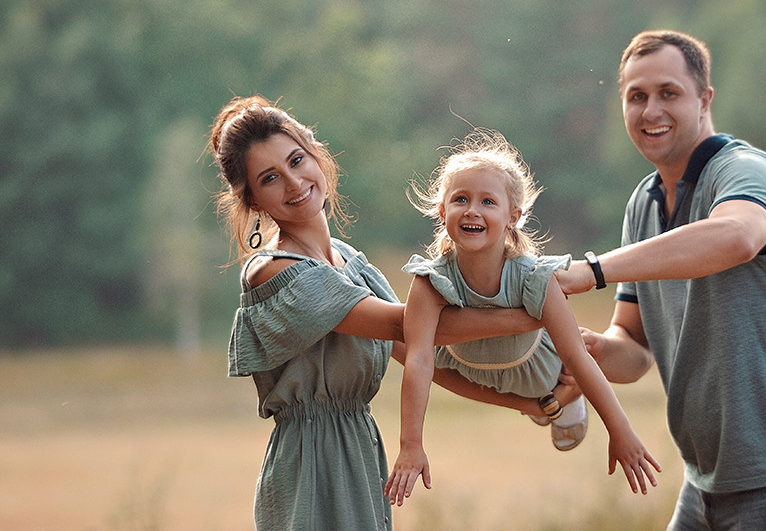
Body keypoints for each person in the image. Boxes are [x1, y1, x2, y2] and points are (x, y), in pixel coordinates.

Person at [555, 30, 766, 530]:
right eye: (637, 97)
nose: (651, 109)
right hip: (707, 481)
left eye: (669, 93)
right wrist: (586, 352)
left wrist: (593, 271)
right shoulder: (643, 203)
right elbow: (633, 346)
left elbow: (737, 236)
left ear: (705, 99)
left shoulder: (745, 171)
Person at [209, 95, 552, 531]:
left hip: (361, 455)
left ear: (315, 153)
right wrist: (538, 310)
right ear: (254, 200)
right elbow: (403, 323)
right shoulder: (274, 271)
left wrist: (529, 403)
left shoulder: (350, 261)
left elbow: (420, 353)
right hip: (308, 470)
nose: (294, 182)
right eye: (270, 178)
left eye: (297, 160)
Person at [384, 129, 661, 507]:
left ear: (513, 216)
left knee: (578, 350)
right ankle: (541, 405)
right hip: (470, 369)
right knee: (394, 339)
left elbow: (577, 356)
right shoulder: (431, 282)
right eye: (460, 199)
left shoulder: (534, 277)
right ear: (441, 211)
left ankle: (561, 402)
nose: (472, 210)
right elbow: (418, 360)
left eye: (487, 201)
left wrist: (621, 431)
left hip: (539, 370)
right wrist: (410, 444)